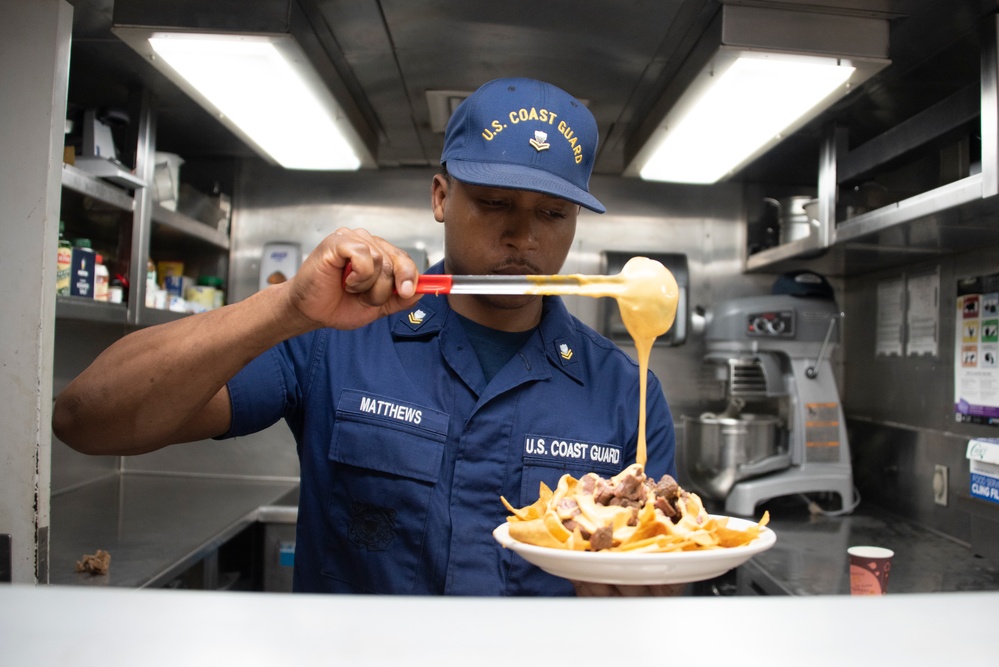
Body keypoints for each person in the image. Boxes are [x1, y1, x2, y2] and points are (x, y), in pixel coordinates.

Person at [53, 77, 677, 596]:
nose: (524, 236)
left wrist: (636, 593)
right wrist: (284, 309)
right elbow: (86, 419)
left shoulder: (626, 395)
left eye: (551, 214)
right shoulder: (332, 336)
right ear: (441, 196)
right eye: (493, 203)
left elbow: (661, 584)